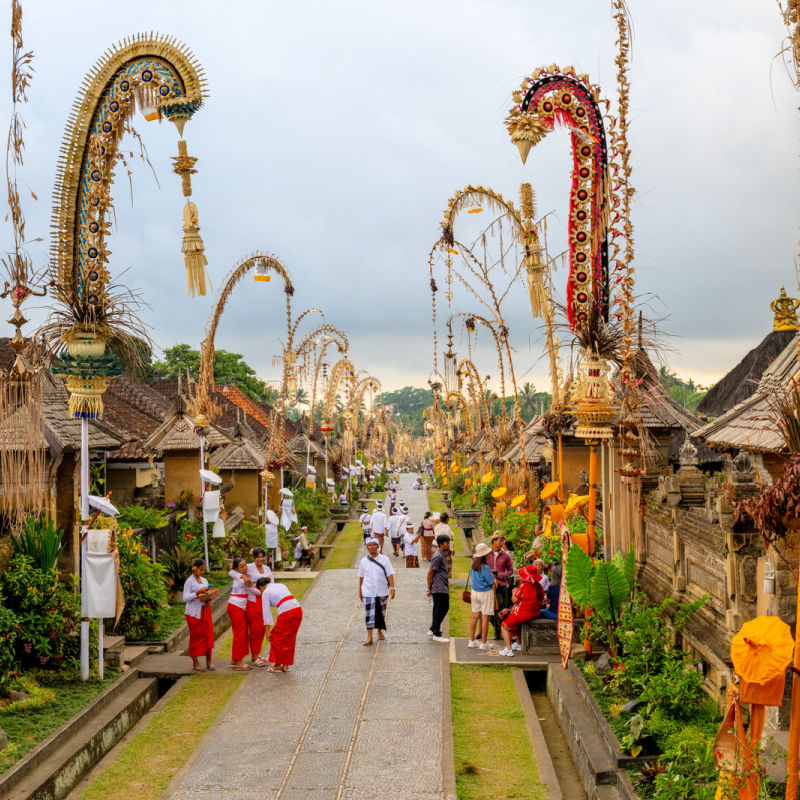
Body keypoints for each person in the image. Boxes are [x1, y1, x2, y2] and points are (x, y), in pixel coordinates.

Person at [499, 564, 555, 657]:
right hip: (535, 613)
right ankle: (518, 643)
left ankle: (508, 650)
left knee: (504, 625)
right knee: (517, 622)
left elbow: (514, 600)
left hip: (523, 613)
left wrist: (514, 592)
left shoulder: (524, 585)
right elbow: (542, 599)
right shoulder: (538, 586)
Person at [256, 575, 303, 673]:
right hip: (298, 609)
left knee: (276, 637)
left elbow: (267, 614)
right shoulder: (281, 585)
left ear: (261, 587)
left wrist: (267, 632)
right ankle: (285, 666)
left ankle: (277, 665)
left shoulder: (265, 592)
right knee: (290, 638)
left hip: (287, 612)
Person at [358, 537, 395, 646]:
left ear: (378, 546)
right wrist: (360, 591)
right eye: (370, 545)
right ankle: (369, 637)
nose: (372, 547)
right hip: (368, 591)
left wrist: (392, 588)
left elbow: (390, 574)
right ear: (367, 547)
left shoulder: (385, 559)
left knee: (381, 613)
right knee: (369, 615)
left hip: (382, 591)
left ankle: (379, 631)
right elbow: (361, 578)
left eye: (374, 545)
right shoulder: (363, 562)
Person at [183, 558, 218, 671]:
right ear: (195, 569)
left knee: (208, 635)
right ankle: (195, 663)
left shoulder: (204, 580)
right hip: (193, 613)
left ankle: (209, 662)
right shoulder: (189, 581)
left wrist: (209, 595)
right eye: (201, 570)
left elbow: (206, 593)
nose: (202, 572)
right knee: (195, 637)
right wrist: (197, 593)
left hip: (205, 610)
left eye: (204, 570)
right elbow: (185, 598)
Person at [227, 556, 259, 670]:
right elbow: (254, 591)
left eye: (245, 565)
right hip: (236, 607)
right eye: (242, 566)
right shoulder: (242, 580)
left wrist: (243, 575)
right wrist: (266, 592)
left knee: (240, 633)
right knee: (241, 633)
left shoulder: (241, 577)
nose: (245, 568)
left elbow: (231, 572)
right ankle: (238, 663)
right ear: (237, 569)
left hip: (238, 607)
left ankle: (235, 659)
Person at [244, 548, 272, 667]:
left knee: (262, 629)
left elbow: (272, 583)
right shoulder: (248, 568)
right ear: (253, 558)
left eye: (262, 557)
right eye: (257, 557)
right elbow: (244, 583)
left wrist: (268, 595)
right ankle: (254, 656)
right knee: (255, 629)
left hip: (264, 601)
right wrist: (258, 593)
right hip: (253, 601)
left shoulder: (267, 569)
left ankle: (257, 653)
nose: (260, 559)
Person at [468, 543, 497, 650]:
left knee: (474, 616)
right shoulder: (485, 567)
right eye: (488, 553)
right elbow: (492, 582)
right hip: (485, 593)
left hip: (474, 593)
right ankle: (484, 643)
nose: (489, 555)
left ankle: (472, 640)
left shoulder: (473, 565)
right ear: (484, 555)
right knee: (485, 617)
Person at [487, 531, 514, 640]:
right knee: (489, 610)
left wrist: (505, 575)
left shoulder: (505, 555)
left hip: (501, 585)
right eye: (500, 540)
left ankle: (500, 632)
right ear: (494, 541)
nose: (502, 542)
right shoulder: (486, 554)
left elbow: (511, 570)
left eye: (503, 540)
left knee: (502, 609)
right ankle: (496, 630)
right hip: (488, 585)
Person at [427, 534, 451, 643]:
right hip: (438, 586)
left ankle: (433, 628)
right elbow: (430, 572)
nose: (448, 545)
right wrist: (429, 587)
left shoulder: (442, 554)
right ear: (441, 544)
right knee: (443, 608)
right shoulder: (438, 556)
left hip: (442, 584)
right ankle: (436, 632)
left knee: (438, 608)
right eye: (447, 543)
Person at [433, 512, 454, 577]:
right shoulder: (447, 528)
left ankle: (437, 575)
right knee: (447, 563)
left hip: (435, 546)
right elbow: (449, 540)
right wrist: (452, 549)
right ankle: (446, 577)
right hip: (444, 547)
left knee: (437, 563)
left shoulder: (437, 526)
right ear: (447, 519)